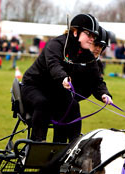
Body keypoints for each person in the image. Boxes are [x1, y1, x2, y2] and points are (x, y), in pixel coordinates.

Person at [21, 14, 113, 143]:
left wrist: (104, 94)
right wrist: (63, 77)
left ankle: (69, 146)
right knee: (43, 103)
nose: (92, 39)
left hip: (57, 91)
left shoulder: (87, 55)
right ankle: (37, 144)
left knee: (72, 105)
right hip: (34, 86)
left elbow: (96, 80)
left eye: (94, 36)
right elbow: (54, 65)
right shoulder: (56, 44)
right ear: (75, 32)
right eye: (89, 34)